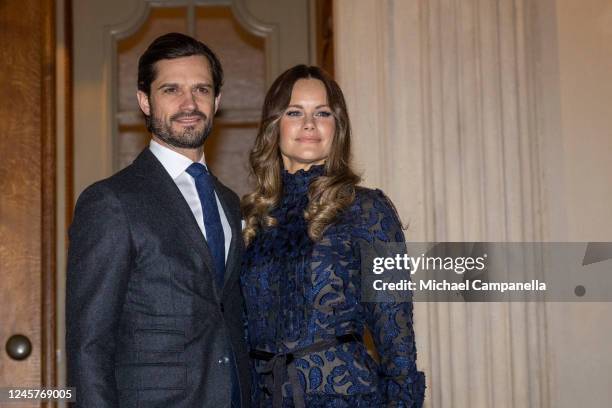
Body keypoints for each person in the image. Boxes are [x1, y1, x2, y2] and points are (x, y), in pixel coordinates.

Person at [66, 33, 249, 407]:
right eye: (171, 90)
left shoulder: (229, 203)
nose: (189, 103)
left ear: (217, 102)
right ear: (145, 102)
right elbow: (89, 345)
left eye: (201, 89)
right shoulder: (111, 201)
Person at [241, 65, 426, 407]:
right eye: (295, 112)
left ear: (337, 127)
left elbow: (396, 343)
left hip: (345, 396)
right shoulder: (252, 217)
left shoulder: (367, 210)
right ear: (274, 126)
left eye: (322, 113)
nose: (309, 123)